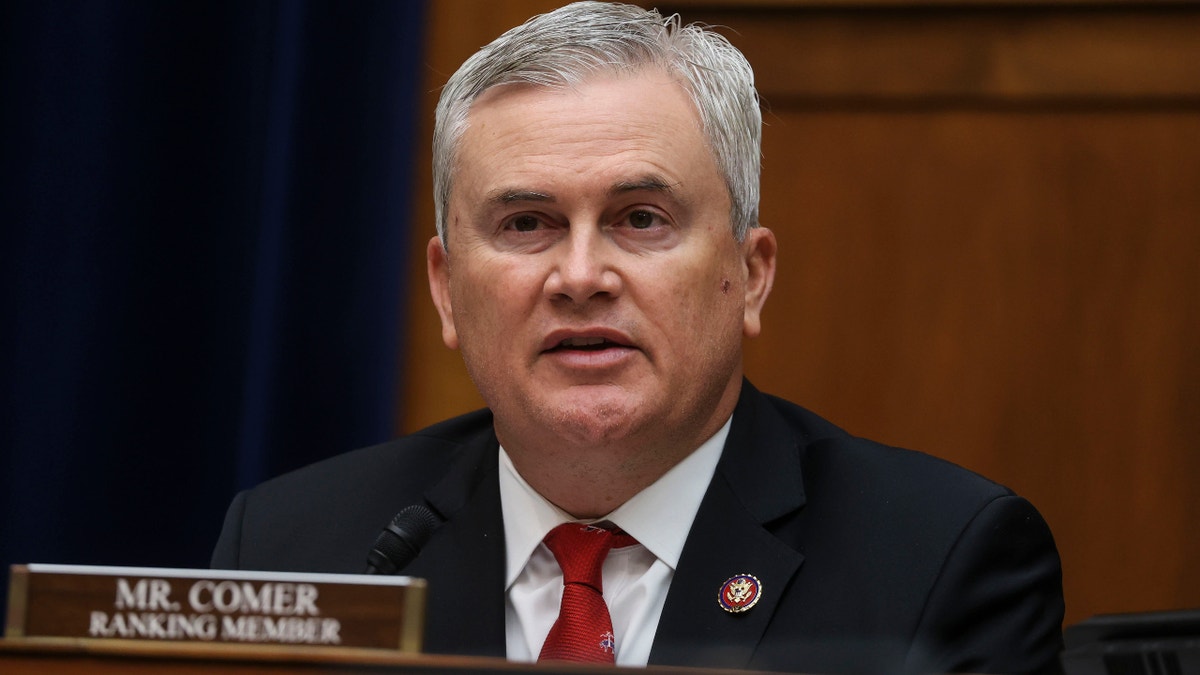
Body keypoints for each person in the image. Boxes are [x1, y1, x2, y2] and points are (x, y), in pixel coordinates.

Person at [212, 2, 1065, 673]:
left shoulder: (938, 561)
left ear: (750, 274)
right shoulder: (296, 549)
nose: (580, 275)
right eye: (527, 223)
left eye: (641, 219)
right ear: (445, 289)